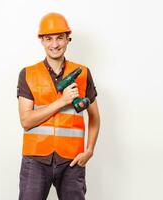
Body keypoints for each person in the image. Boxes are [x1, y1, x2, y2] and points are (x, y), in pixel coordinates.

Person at [17, 12, 100, 200]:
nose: (55, 44)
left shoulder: (83, 73)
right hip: (35, 160)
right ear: (42, 41)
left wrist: (89, 151)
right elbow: (26, 121)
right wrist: (61, 102)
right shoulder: (28, 74)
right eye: (49, 39)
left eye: (60, 38)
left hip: (72, 161)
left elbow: (95, 117)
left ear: (68, 39)